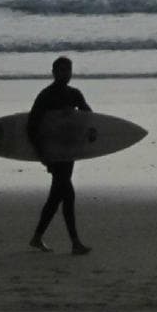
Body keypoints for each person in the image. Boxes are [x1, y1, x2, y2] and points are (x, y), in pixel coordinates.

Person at [27, 55, 92, 255]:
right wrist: (42, 155)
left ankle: (37, 237)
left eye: (68, 70)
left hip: (69, 150)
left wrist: (79, 119)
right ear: (53, 72)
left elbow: (89, 117)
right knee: (68, 194)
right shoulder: (46, 96)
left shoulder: (75, 94)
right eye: (61, 70)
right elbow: (31, 127)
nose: (65, 74)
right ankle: (75, 243)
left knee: (56, 196)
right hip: (53, 153)